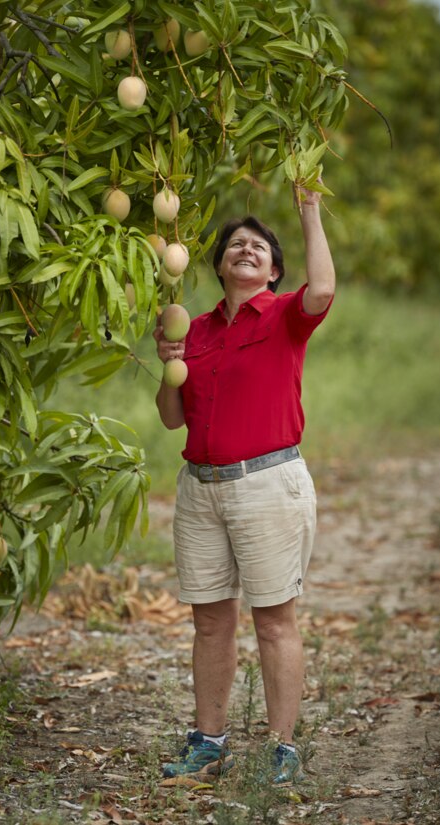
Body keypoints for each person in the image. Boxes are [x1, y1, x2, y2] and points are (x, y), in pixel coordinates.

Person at [152, 184, 335, 784]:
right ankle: (209, 742)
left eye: (259, 246)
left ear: (274, 269)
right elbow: (172, 417)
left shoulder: (285, 315)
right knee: (210, 620)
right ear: (221, 264)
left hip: (267, 482)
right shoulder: (197, 330)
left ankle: (283, 749)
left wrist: (309, 211)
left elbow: (325, 289)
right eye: (236, 244)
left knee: (274, 619)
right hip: (201, 487)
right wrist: (170, 364)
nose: (246, 249)